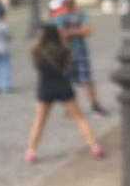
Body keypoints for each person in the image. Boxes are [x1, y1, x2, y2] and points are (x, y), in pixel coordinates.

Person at [24, 24, 105, 163]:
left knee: (39, 121)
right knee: (79, 118)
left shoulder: (36, 52)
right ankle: (94, 146)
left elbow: (36, 63)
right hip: (63, 86)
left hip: (45, 88)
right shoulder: (65, 50)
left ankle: (31, 151)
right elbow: (69, 66)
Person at [52, 0, 109, 115]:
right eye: (66, 1)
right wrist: (78, 31)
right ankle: (70, 107)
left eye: (70, 0)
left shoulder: (80, 14)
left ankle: (94, 104)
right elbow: (60, 34)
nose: (69, 3)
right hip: (66, 52)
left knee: (86, 78)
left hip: (80, 50)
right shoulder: (59, 16)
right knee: (67, 80)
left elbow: (88, 30)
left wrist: (69, 32)